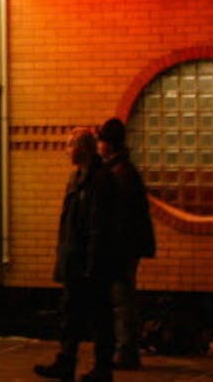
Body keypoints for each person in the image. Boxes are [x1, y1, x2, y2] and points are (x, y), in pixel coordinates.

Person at [35, 127, 118, 382]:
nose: (66, 151)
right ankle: (67, 362)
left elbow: (98, 226)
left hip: (89, 262)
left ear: (82, 148)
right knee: (72, 315)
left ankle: (101, 368)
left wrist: (92, 264)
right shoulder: (78, 178)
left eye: (70, 145)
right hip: (76, 259)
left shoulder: (98, 180)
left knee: (98, 316)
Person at [97, 117, 155, 369]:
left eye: (101, 141)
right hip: (127, 246)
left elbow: (119, 217)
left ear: (108, 144)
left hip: (121, 248)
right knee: (122, 298)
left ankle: (126, 349)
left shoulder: (119, 174)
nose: (99, 146)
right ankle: (125, 347)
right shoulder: (122, 170)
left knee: (122, 300)